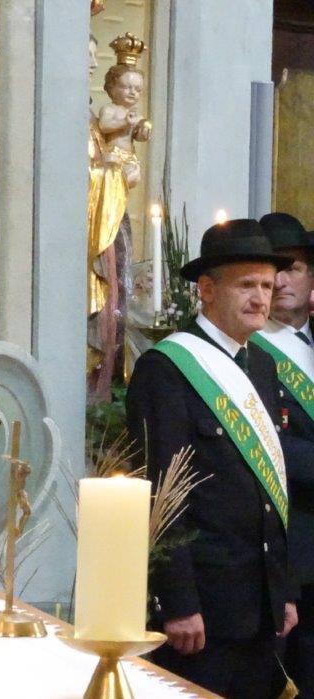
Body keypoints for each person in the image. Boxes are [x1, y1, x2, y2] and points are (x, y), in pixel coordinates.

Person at [126, 219, 298, 698]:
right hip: (203, 609)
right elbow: (161, 492)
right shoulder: (167, 368)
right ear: (205, 289)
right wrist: (178, 601)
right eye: (246, 285)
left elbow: (271, 488)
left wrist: (283, 591)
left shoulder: (262, 365)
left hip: (260, 604)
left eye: (267, 286)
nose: (260, 298)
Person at [252, 212, 314, 696]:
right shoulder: (246, 347)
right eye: (272, 270)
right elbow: (265, 443)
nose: (281, 281)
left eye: (291, 267)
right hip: (288, 548)